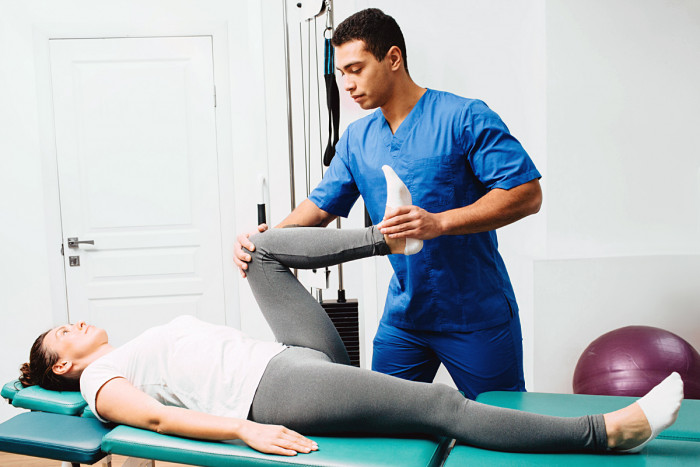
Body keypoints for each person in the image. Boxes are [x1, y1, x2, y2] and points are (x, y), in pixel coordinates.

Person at [20, 219, 682, 456]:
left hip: (290, 359)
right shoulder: (97, 380)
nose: (76, 322)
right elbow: (157, 415)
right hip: (273, 391)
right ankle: (606, 431)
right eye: (64, 332)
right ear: (63, 362)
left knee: (257, 250)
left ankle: (389, 236)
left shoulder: (121, 349)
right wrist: (242, 430)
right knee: (441, 409)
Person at [235, 8, 542, 399]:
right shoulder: (357, 138)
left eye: (356, 69)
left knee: (502, 432)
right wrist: (265, 243)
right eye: (341, 72)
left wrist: (440, 223)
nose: (347, 83)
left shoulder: (464, 117)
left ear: (393, 58)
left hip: (475, 315)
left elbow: (526, 193)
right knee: (384, 429)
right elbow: (320, 207)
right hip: (405, 319)